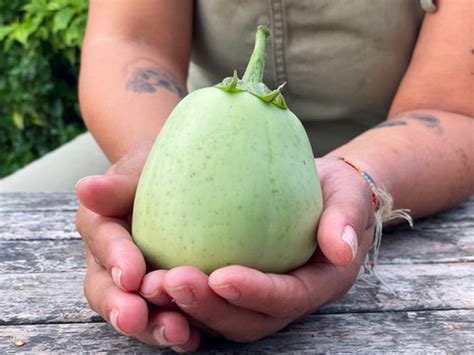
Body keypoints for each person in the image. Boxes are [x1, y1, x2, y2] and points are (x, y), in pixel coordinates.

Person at [75, 0, 473, 352]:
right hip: (177, 121)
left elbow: (453, 108)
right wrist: (159, 166)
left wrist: (358, 179)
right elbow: (129, 40)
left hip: (405, 158)